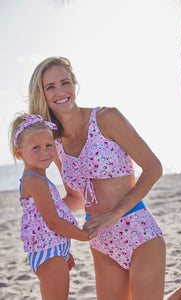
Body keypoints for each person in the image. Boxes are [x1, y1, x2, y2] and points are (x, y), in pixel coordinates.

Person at [28, 56, 166, 300]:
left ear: (74, 84)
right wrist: (41, 212)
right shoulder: (55, 143)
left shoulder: (106, 118)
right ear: (42, 95)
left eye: (65, 82)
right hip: (100, 241)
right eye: (50, 87)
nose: (60, 91)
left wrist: (115, 214)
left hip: (138, 230)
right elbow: (76, 197)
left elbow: (153, 167)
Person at [9, 113, 89, 300]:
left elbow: (43, 223)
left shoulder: (39, 178)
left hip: (53, 249)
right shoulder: (34, 181)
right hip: (48, 253)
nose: (45, 152)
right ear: (20, 153)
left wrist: (63, 249)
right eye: (36, 147)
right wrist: (84, 236)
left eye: (48, 145)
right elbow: (53, 221)